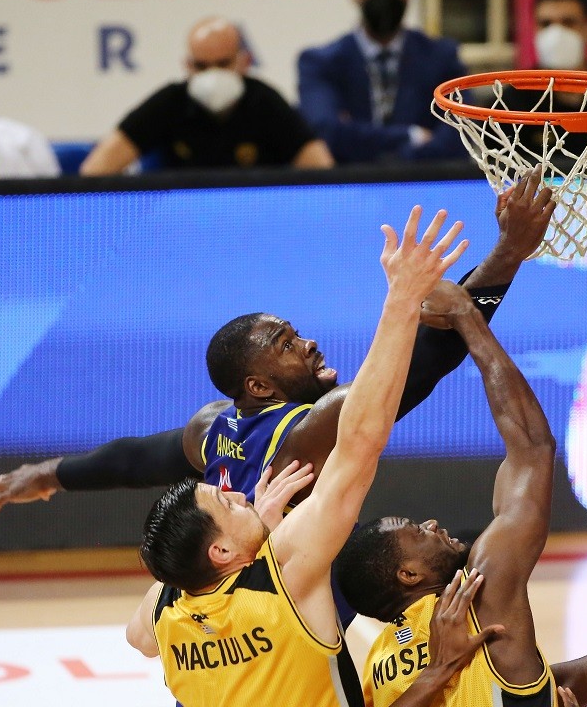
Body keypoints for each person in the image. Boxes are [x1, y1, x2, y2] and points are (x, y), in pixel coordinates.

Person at [0, 168, 555, 517]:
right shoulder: (310, 430)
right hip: (285, 610)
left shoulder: (213, 428)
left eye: (296, 334)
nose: (309, 344)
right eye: (286, 344)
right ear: (257, 385)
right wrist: (508, 253)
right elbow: (423, 365)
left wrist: (49, 473)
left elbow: (134, 459)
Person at [126, 206, 471, 706]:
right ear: (220, 553)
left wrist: (245, 536)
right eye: (226, 503)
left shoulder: (167, 611)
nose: (238, 496)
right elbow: (360, 440)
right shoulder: (285, 573)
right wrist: (401, 299)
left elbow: (139, 637)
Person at [334, 280, 587, 707]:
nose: (430, 523)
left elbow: (545, 686)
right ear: (409, 575)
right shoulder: (478, 592)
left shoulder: (379, 662)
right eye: (415, 531)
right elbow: (532, 448)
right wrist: (468, 318)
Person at [81, 16, 333, 175]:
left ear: (244, 61)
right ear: (187, 66)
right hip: (182, 221)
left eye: (223, 64)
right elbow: (95, 170)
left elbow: (323, 172)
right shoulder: (169, 103)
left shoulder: (266, 103)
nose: (212, 75)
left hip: (252, 218)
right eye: (201, 66)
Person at [296, 0, 467, 164]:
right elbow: (327, 132)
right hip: (349, 181)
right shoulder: (319, 63)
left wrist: (357, 139)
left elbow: (460, 135)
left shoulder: (442, 59)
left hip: (426, 179)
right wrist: (411, 135)